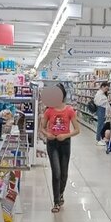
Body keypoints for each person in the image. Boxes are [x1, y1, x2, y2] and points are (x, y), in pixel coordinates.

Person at [39, 83, 80, 212]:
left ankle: (61, 193)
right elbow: (42, 128)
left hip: (65, 143)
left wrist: (65, 135)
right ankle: (56, 202)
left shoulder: (69, 110)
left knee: (64, 173)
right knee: (56, 173)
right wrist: (47, 134)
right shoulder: (49, 111)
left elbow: (77, 130)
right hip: (52, 144)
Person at [94, 81, 111, 146]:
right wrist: (107, 100)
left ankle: (100, 138)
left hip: (103, 110)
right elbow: (98, 102)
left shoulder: (102, 94)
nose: (106, 90)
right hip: (101, 109)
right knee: (100, 125)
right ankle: (98, 140)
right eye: (106, 88)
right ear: (102, 87)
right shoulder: (99, 94)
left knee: (102, 125)